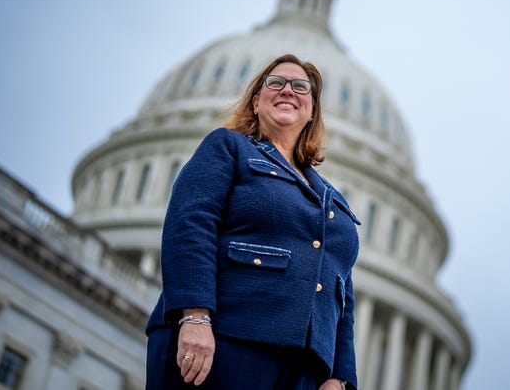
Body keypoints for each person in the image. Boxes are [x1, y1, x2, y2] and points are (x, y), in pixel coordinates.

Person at [145, 54, 360, 389]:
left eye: (301, 87)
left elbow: (341, 289)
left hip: (302, 368)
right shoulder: (228, 147)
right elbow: (191, 225)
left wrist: (338, 376)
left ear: (312, 111)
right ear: (256, 102)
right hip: (228, 337)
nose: (288, 90)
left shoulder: (331, 198)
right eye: (275, 83)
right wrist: (195, 316)